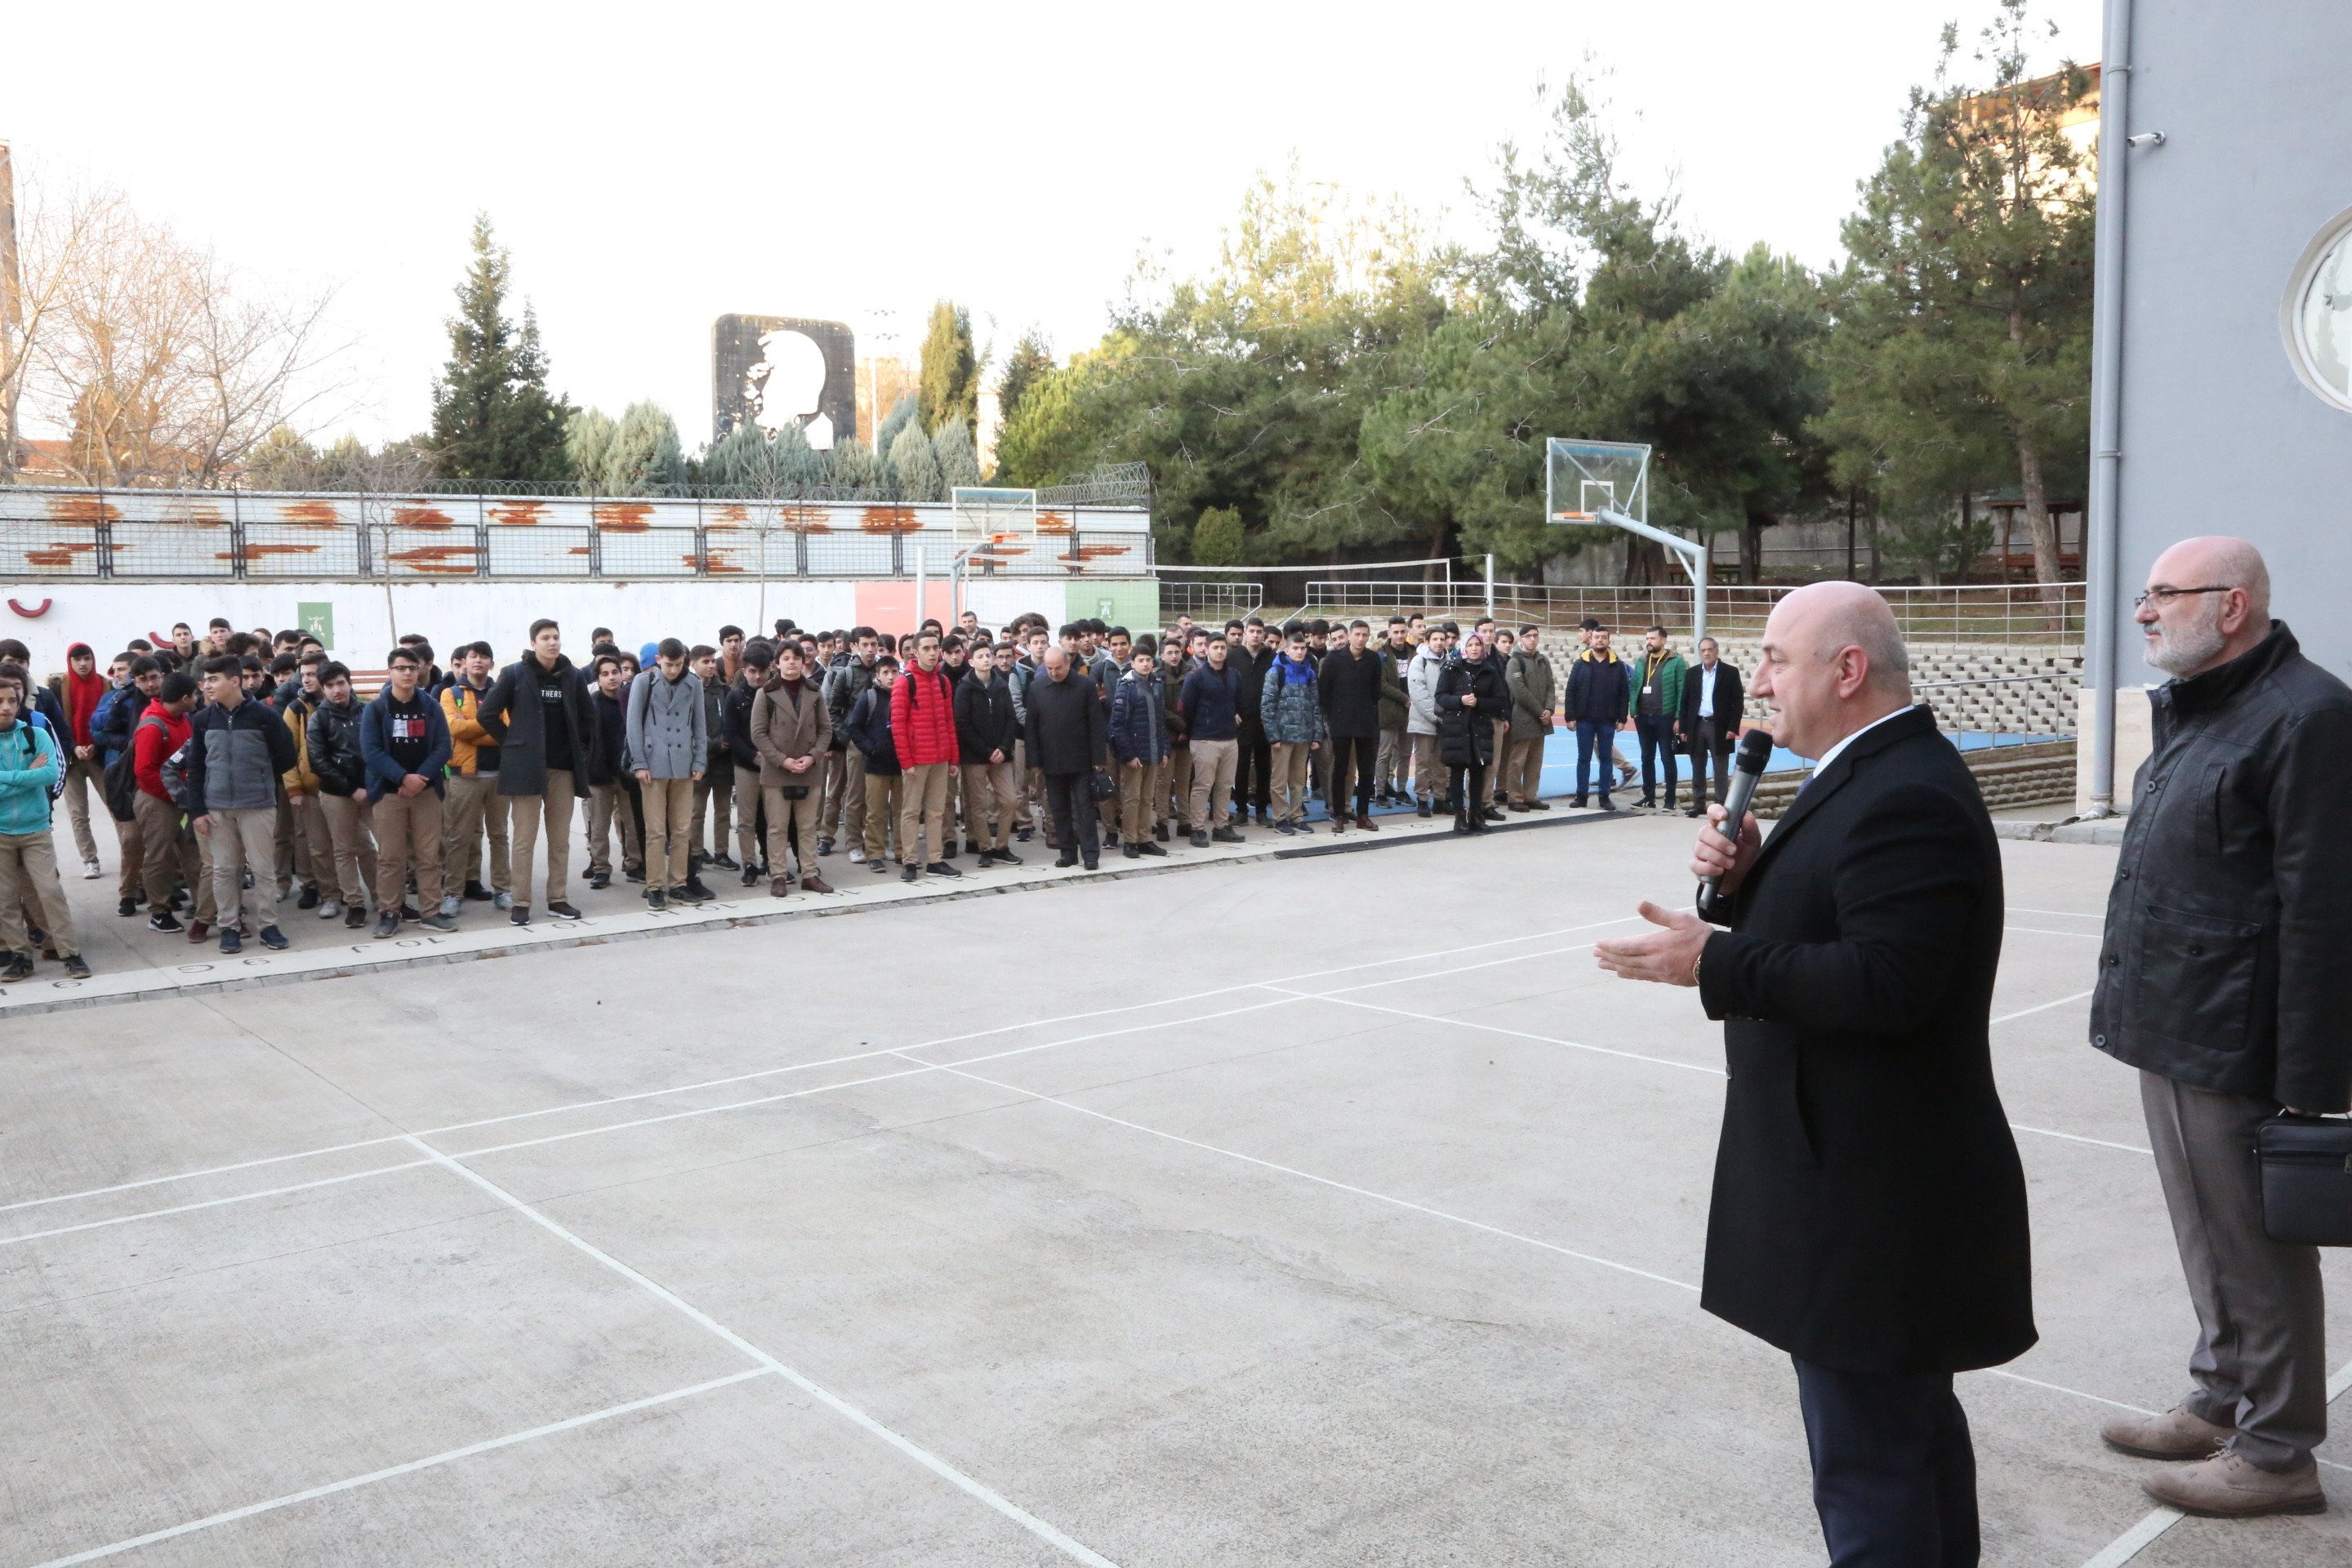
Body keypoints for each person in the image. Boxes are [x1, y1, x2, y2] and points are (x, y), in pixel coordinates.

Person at [1594, 581, 2034, 1567]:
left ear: (1847, 670)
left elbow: (1891, 982)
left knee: (1872, 1465)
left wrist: (1711, 956)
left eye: (1776, 660)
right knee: (1902, 1439)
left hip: (1871, 1194)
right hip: (1858, 1181)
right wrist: (1757, 880)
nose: (1757, 680)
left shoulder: (1907, 790)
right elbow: (1848, 921)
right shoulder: (1869, 772)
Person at [2088, 537, 2352, 1518]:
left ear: (2231, 605)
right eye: (2146, 594)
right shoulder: (2202, 709)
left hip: (2240, 1034)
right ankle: (2223, 1394)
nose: (2145, 611)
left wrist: (2309, 1076)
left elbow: (2322, 905)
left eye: (2165, 594)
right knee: (2207, 1231)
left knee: (2257, 1244)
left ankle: (2278, 1453)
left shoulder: (2309, 716)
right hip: (2173, 1019)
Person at [478, 619, 595, 927]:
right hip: (526, 770)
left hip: (563, 770)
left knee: (560, 840)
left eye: (556, 637)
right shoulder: (515, 674)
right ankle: (521, 902)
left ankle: (558, 899)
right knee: (524, 840)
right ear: (534, 643)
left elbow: (587, 718)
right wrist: (512, 744)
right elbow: (487, 714)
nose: (552, 642)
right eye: (546, 638)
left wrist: (578, 750)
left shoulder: (572, 676)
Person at [185, 653, 296, 955]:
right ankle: (229, 928)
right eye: (206, 680)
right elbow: (195, 768)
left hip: (258, 805)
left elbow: (287, 756)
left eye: (213, 679)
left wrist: (261, 778)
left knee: (263, 869)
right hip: (217, 807)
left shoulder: (265, 716)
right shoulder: (203, 720)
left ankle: (269, 926)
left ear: (234, 681)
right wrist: (197, 810)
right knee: (224, 870)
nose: (207, 685)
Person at [359, 647, 454, 938]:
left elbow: (443, 747)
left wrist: (421, 778)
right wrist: (402, 777)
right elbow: (371, 751)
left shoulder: (430, 706)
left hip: (425, 792)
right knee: (390, 857)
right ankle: (390, 911)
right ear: (390, 672)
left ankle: (431, 911)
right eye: (401, 668)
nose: (407, 673)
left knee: (428, 855)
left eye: (412, 668)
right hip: (389, 794)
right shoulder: (376, 708)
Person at [0, 678, 90, 981]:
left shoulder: (36, 733)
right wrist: (27, 775)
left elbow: (50, 773)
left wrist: (6, 778)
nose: (7, 707)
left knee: (50, 892)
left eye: (12, 700)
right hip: (1, 833)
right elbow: (36, 777)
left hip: (36, 829)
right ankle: (20, 956)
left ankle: (70, 953)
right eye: (1, 701)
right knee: (6, 897)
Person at [625, 637, 707, 910]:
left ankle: (679, 883)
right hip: (653, 761)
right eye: (669, 664)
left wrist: (700, 761)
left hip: (684, 762)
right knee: (656, 830)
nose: (673, 670)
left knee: (683, 829)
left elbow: (700, 725)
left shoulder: (694, 684)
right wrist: (639, 762)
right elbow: (633, 724)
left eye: (679, 664)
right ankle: (655, 886)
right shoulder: (643, 682)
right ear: (659, 660)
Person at [749, 639, 835, 898]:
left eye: (796, 657)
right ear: (777, 663)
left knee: (808, 827)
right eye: (786, 658)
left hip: (809, 768)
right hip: (777, 770)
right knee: (777, 827)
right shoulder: (765, 693)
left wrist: (812, 756)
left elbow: (825, 729)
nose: (792, 662)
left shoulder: (814, 691)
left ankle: (810, 874)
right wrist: (782, 760)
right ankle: (778, 875)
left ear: (803, 661)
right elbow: (758, 733)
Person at [305, 663, 377, 930]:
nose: (337, 690)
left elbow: (378, 749)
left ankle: (384, 898)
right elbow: (318, 761)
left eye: (341, 683)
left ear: (349, 683)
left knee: (371, 848)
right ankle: (355, 903)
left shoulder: (368, 710)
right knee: (344, 849)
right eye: (331, 686)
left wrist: (371, 786)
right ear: (323, 689)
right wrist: (351, 789)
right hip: (337, 793)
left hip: (371, 790)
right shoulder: (319, 719)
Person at [440, 642, 510, 911]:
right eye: (473, 656)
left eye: (484, 657)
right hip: (464, 776)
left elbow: (507, 730)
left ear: (491, 663)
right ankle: (453, 894)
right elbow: (455, 728)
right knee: (459, 837)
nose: (478, 661)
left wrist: (474, 730)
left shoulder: (501, 693)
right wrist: (489, 723)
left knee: (499, 836)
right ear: (464, 662)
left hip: (499, 775)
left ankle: (503, 890)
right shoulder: (451, 693)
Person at [1023, 647, 1107, 870]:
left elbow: (1096, 724)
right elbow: (1031, 726)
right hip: (1052, 761)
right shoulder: (1037, 688)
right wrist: (1034, 761)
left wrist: (1099, 758)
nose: (1054, 673)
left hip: (1081, 760)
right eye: (1049, 668)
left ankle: (1090, 855)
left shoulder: (1085, 686)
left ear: (1068, 664)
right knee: (1059, 809)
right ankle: (1067, 853)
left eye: (1058, 668)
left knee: (1085, 809)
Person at [131, 670, 201, 935]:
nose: (197, 699)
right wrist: (174, 795)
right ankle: (159, 912)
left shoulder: (183, 719)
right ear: (185, 698)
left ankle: (205, 907)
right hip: (157, 802)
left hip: (180, 799)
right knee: (160, 858)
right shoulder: (152, 726)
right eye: (195, 695)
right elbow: (144, 771)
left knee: (194, 855)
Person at [890, 630, 961, 882]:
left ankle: (935, 859)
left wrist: (954, 758)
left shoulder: (943, 682)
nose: (933, 653)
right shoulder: (904, 682)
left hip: (940, 758)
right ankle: (910, 861)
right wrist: (906, 762)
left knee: (936, 811)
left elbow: (948, 722)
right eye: (927, 649)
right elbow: (897, 725)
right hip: (916, 760)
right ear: (916, 652)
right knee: (910, 811)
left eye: (935, 648)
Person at [954, 639, 1023, 868]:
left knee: (1009, 799)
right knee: (978, 803)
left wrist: (1003, 748)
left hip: (1001, 755)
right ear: (971, 661)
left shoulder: (1001, 685)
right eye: (980, 656)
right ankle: (985, 847)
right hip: (975, 756)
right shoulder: (964, 687)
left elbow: (1011, 719)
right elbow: (962, 724)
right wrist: (985, 750)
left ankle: (1002, 846)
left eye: (988, 655)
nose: (986, 659)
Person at [1178, 635, 1245, 848]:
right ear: (1206, 650)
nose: (1220, 651)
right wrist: (1193, 730)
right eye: (1215, 647)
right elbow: (1185, 707)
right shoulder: (1196, 677)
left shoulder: (1234, 675)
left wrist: (1234, 715)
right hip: (1204, 739)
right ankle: (1197, 828)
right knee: (1203, 785)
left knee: (1225, 786)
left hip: (1229, 738)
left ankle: (1221, 826)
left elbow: (1238, 701)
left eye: (1223, 647)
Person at [51, 641, 110, 878]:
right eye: (78, 660)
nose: (83, 664)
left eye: (87, 658)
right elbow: (56, 725)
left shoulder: (105, 685)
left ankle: (131, 855)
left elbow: (110, 720)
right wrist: (73, 748)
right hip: (72, 758)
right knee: (78, 813)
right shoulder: (59, 687)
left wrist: (97, 745)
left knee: (116, 807)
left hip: (99, 756)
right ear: (70, 661)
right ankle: (90, 860)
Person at [583, 653, 642, 891]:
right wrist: (588, 762)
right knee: (599, 826)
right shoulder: (591, 704)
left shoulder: (631, 700)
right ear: (598, 678)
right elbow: (581, 739)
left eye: (615, 672)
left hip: (627, 774)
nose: (611, 678)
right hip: (599, 774)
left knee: (633, 823)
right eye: (605, 674)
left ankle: (635, 864)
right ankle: (601, 869)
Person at [1318, 619, 1384, 832]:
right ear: (1349, 636)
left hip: (1366, 723)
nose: (1361, 639)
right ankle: (1339, 814)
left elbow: (1376, 692)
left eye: (1365, 635)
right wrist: (1333, 716)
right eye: (1357, 634)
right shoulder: (1334, 659)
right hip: (1341, 723)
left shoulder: (1373, 659)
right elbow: (1324, 692)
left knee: (1366, 771)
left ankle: (1363, 815)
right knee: (1340, 770)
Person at [1435, 631, 1503, 833]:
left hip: (1480, 727)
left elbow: (1500, 701)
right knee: (1457, 772)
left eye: (1478, 645)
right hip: (1457, 727)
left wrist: (1479, 703)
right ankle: (1459, 816)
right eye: (1471, 645)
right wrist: (1460, 701)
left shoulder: (1489, 671)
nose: (1474, 648)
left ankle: (1476, 814)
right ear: (1464, 647)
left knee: (1478, 772)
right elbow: (1440, 696)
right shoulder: (1451, 668)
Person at [1259, 626, 1325, 836]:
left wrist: (1316, 735)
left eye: (1303, 648)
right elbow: (1267, 706)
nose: (1300, 652)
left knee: (1298, 780)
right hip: (1282, 736)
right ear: (1286, 650)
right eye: (1295, 648)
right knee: (1279, 781)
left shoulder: (1310, 673)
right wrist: (1273, 736)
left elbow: (1316, 706)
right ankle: (1279, 817)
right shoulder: (1275, 672)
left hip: (1304, 736)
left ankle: (1297, 816)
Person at [823, 626, 880, 861]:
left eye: (874, 644)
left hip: (879, 742)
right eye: (865, 644)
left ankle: (876, 841)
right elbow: (833, 710)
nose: (870, 649)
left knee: (877, 796)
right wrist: (846, 738)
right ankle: (852, 842)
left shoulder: (883, 670)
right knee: (853, 795)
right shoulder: (845, 674)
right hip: (855, 742)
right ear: (854, 646)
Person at [1107, 644, 1169, 860]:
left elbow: (1161, 722)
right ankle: (1130, 841)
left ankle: (1145, 839)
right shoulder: (1126, 685)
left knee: (1147, 799)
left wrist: (1163, 750)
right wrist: (1129, 755)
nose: (1145, 664)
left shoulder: (1157, 684)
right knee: (1131, 799)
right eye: (1141, 660)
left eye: (1148, 660)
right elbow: (1117, 725)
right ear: (1132, 663)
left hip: (1153, 752)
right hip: (1134, 755)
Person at [842, 656, 902, 870]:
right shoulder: (869, 698)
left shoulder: (905, 696)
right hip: (876, 764)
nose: (891, 677)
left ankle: (901, 852)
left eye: (894, 671)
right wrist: (871, 748)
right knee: (876, 811)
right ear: (877, 675)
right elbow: (854, 728)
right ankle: (875, 852)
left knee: (902, 811)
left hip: (902, 764)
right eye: (885, 672)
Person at [1565, 624, 1631, 811]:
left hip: (1607, 721)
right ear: (1591, 640)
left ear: (1609, 641)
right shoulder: (1580, 663)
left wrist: (1622, 718)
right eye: (1596, 637)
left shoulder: (1618, 666)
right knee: (1583, 759)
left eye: (1603, 637)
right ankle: (1581, 796)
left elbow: (1624, 693)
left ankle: (1604, 797)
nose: (1600, 640)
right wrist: (1570, 716)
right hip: (1584, 720)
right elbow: (1571, 691)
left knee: (1606, 760)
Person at [1678, 637, 1745, 819]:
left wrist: (1733, 727)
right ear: (1700, 653)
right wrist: (1683, 728)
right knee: (1697, 766)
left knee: (1720, 767)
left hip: (1720, 726)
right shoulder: (1691, 673)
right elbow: (1684, 702)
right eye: (1703, 650)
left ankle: (1720, 804)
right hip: (1697, 725)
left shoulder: (1729, 672)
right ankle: (1698, 804)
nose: (1706, 653)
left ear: (1717, 651)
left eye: (1710, 650)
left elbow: (1738, 702)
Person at [690, 644, 737, 872]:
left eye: (712, 661)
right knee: (696, 811)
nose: (710, 665)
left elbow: (730, 718)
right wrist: (711, 744)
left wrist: (725, 742)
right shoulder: (688, 689)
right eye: (705, 662)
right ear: (693, 664)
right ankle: (696, 852)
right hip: (699, 760)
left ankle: (722, 853)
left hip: (723, 761)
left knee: (723, 811)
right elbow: (687, 728)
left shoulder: (723, 690)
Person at [1631, 626, 1686, 813]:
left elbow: (1682, 692)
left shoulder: (1676, 662)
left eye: (1653, 638)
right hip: (1643, 717)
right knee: (1646, 758)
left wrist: (1679, 717)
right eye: (1647, 638)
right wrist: (1633, 709)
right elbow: (1636, 686)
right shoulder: (1641, 661)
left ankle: (1670, 799)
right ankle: (1649, 797)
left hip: (1665, 718)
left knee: (1667, 758)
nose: (1649, 642)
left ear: (1663, 640)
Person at [1503, 625, 1557, 812]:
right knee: (1518, 761)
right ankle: (1515, 797)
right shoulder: (1515, 662)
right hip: (1523, 718)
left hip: (1541, 719)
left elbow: (1551, 685)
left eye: (1535, 636)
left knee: (1535, 760)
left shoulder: (1543, 660)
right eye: (1528, 636)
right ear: (1521, 639)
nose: (1532, 639)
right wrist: (1539, 711)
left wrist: (1549, 708)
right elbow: (1519, 691)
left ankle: (1530, 795)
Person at [1405, 623, 1452, 817]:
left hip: (1446, 722)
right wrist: (1436, 716)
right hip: (1425, 721)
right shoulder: (1419, 661)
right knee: (1424, 763)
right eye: (1435, 639)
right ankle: (1422, 799)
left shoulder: (1450, 662)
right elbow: (1418, 693)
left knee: (1443, 762)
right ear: (1427, 641)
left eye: (1442, 639)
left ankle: (1440, 798)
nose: (1439, 643)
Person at [1154, 635, 1194, 844]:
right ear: (1161, 655)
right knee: (1163, 782)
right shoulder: (1156, 677)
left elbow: (1194, 703)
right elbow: (1159, 709)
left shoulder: (1191, 674)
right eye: (1169, 652)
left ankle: (1184, 821)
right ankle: (1162, 821)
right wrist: (1179, 725)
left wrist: (1187, 727)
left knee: (1184, 781)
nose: (1174, 656)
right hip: (1166, 736)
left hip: (1186, 736)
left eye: (1177, 652)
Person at [1375, 617, 1413, 805]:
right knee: (1385, 754)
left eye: (1402, 631)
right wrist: (1404, 698)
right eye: (1395, 632)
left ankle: (1402, 789)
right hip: (1389, 710)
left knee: (1405, 754)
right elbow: (1381, 684)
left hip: (1410, 712)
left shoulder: (1413, 653)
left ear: (1407, 632)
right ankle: (1380, 791)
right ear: (1389, 633)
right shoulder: (1381, 654)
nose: (1399, 635)